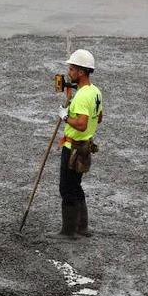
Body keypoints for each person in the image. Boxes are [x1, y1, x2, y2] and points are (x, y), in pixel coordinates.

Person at [57, 49, 102, 238]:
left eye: (72, 69)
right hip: (84, 148)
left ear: (82, 72)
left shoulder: (82, 96)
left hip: (73, 148)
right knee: (76, 186)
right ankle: (82, 228)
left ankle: (69, 231)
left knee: (67, 188)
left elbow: (82, 125)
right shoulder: (94, 92)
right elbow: (98, 118)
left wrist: (66, 116)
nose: (69, 72)